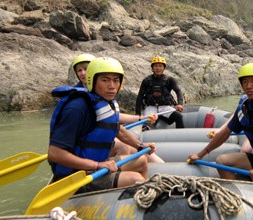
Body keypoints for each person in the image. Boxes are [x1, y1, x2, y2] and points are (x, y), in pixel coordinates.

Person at [48, 57, 157, 193]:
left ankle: (136, 199)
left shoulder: (106, 103)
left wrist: (140, 146)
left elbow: (118, 130)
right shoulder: (77, 108)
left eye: (116, 80)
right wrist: (97, 165)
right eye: (105, 80)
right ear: (92, 81)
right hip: (75, 175)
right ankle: (136, 198)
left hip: (97, 166)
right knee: (134, 178)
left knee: (141, 160)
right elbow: (54, 153)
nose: (112, 86)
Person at [70, 53, 164, 163]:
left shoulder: (104, 94)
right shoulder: (77, 100)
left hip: (103, 135)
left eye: (87, 69)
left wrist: (141, 119)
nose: (83, 73)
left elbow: (113, 119)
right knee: (125, 148)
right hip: (89, 146)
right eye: (79, 70)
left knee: (146, 156)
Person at [135, 56, 185, 129]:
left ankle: (181, 136)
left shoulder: (169, 80)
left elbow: (178, 91)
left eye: (160, 66)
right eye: (156, 66)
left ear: (163, 68)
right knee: (147, 125)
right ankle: (147, 133)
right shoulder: (146, 80)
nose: (158, 68)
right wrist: (138, 113)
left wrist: (180, 104)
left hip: (165, 107)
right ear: (152, 68)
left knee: (179, 117)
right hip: (151, 107)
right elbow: (140, 96)